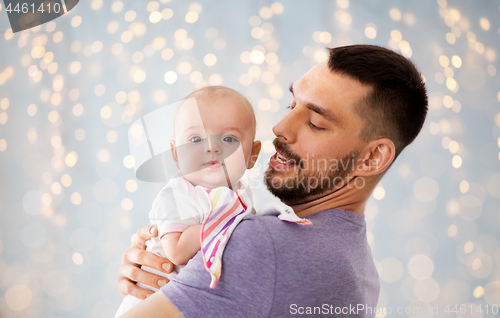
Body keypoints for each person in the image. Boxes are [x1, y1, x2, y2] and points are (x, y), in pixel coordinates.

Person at [117, 45, 428, 318]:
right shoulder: (359, 266)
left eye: (315, 122)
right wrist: (168, 270)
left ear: (373, 157)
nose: (280, 128)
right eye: (291, 105)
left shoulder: (259, 245)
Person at [116, 86, 263, 316]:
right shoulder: (176, 196)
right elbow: (176, 252)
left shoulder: (241, 193)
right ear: (176, 155)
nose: (212, 147)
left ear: (252, 155)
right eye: (196, 139)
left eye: (228, 138)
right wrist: (225, 227)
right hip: (151, 300)